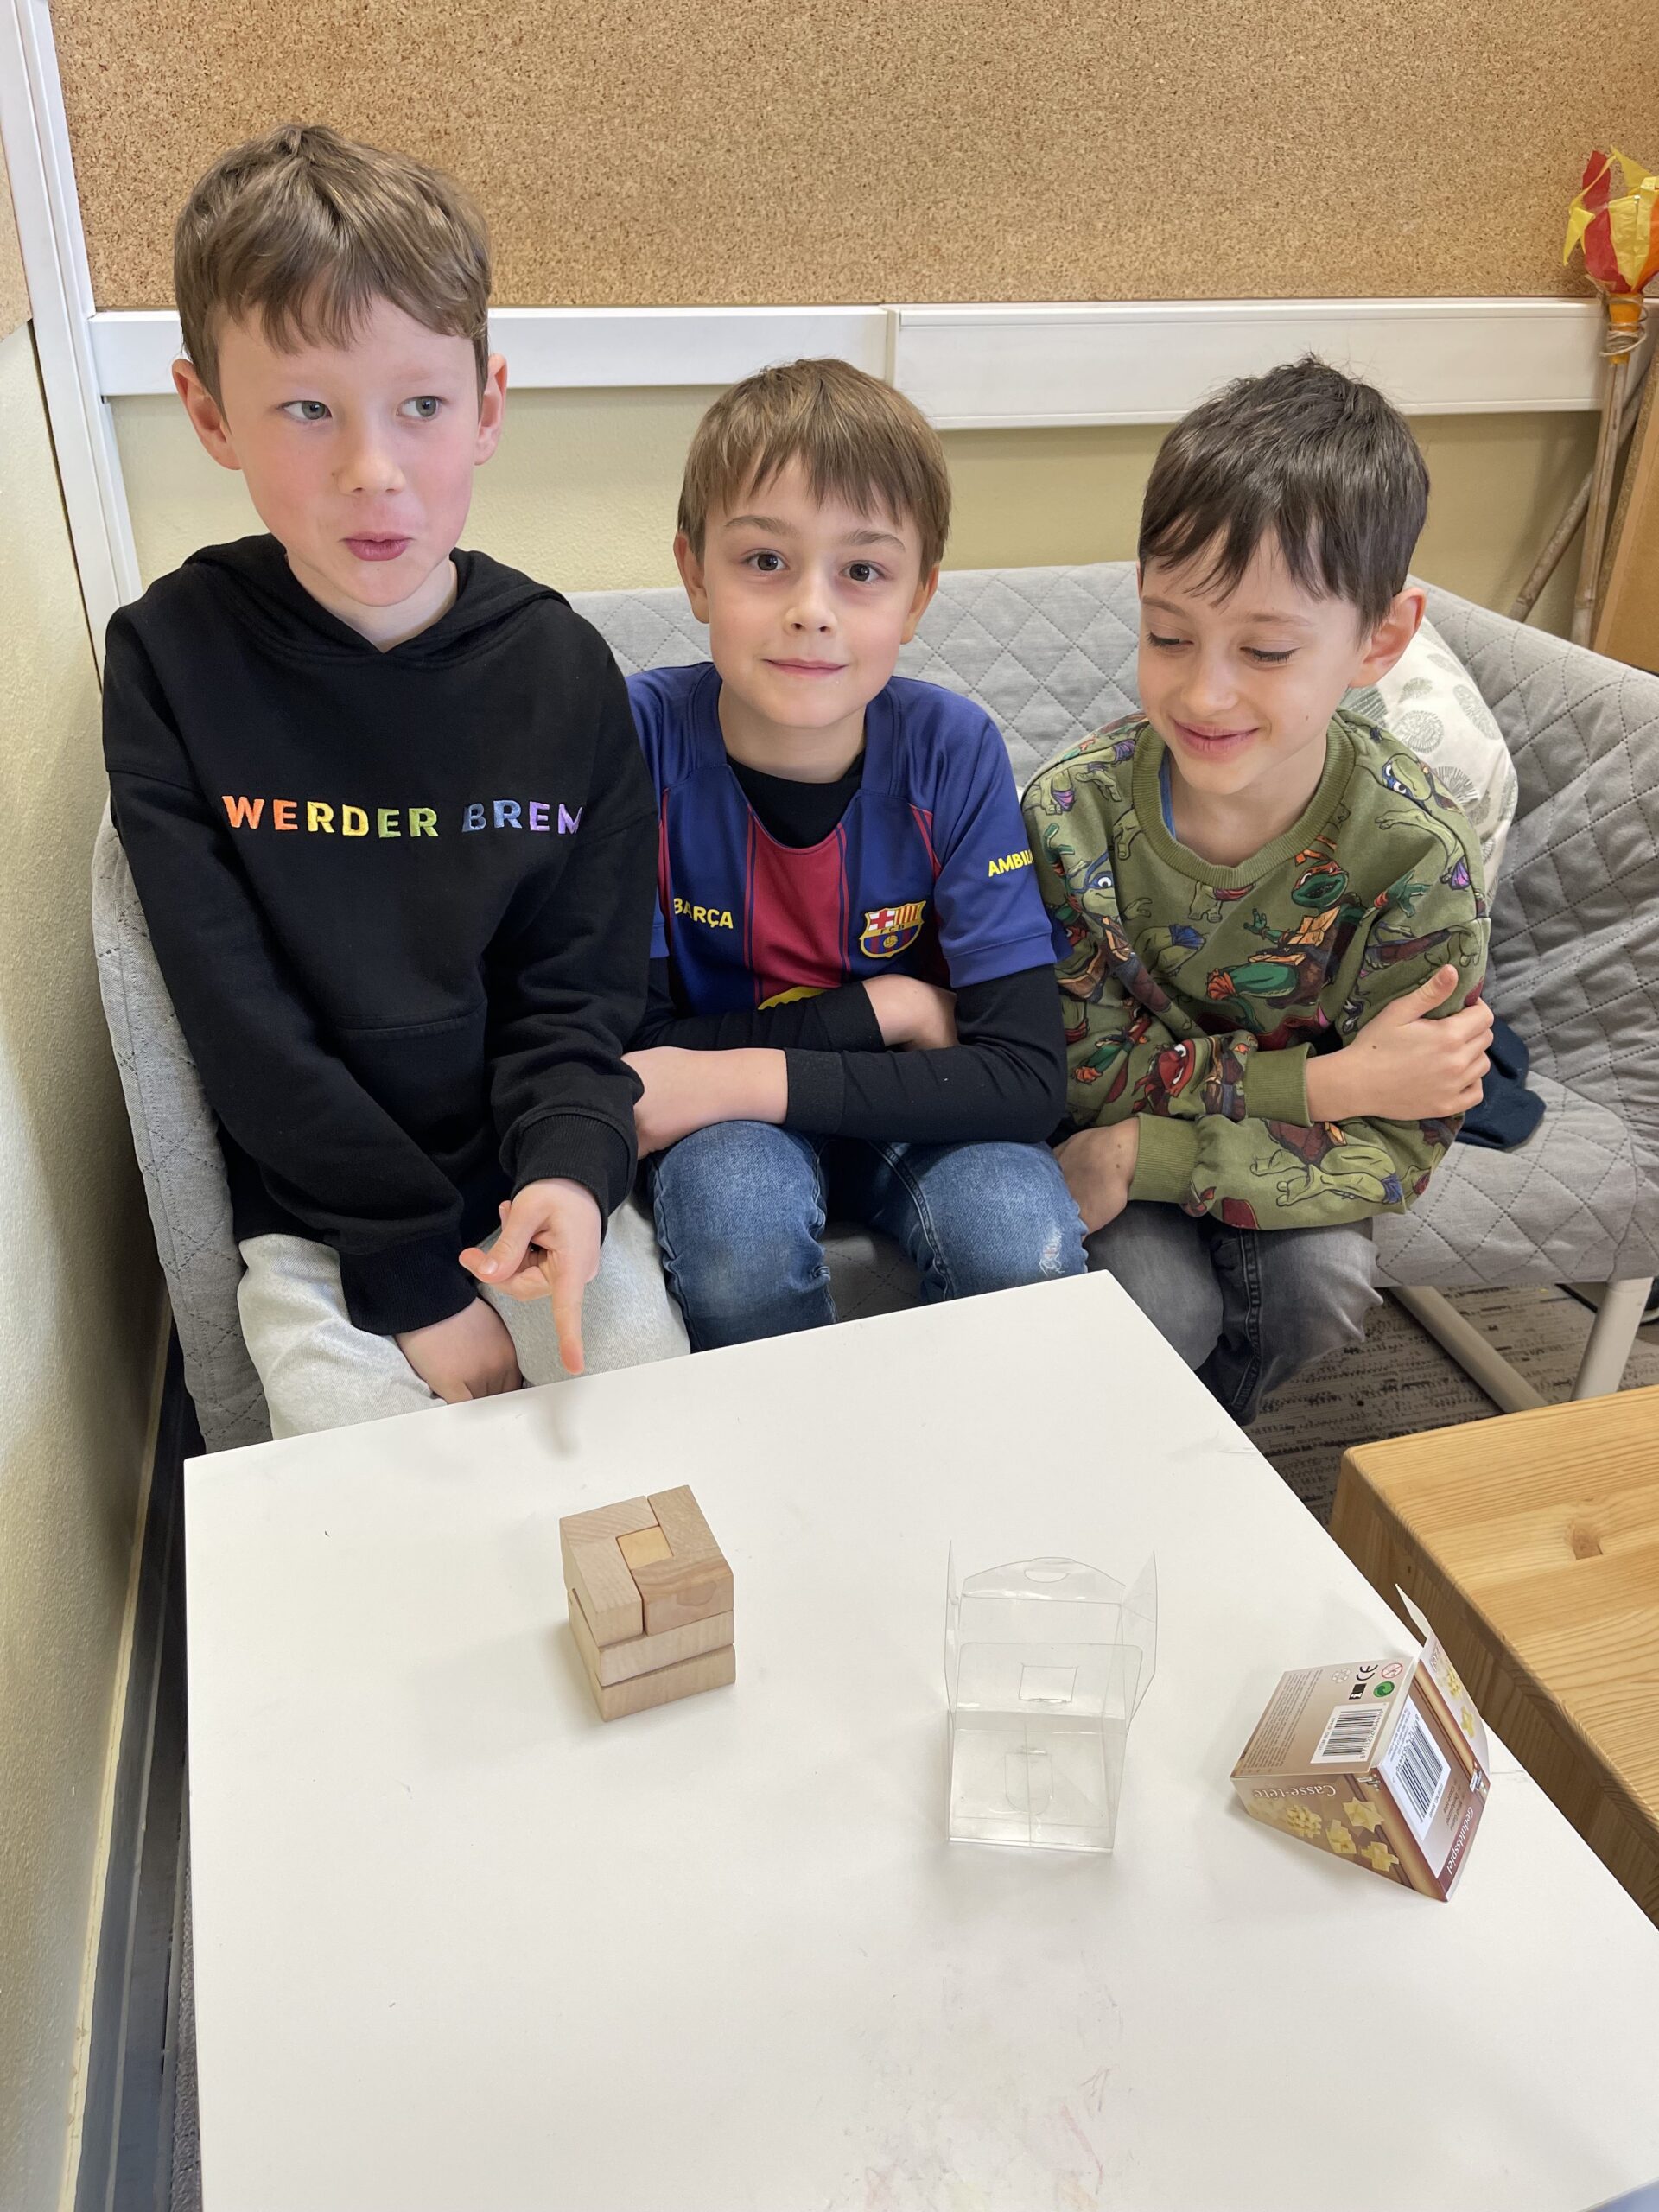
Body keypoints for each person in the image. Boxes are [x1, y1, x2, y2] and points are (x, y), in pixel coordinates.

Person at [102, 124, 686, 1438]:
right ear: (209, 414)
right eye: (307, 408)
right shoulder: (170, 660)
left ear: (486, 407)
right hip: (320, 1221)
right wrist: (414, 1275)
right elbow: (243, 1029)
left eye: (420, 405)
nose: (372, 469)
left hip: (531, 1185)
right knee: (365, 1520)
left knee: (641, 1443)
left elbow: (576, 1001)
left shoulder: (564, 672)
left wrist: (573, 1179)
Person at [1022, 356, 1493, 1422]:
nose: (1204, 692)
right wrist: (1330, 1081)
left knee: (1320, 1288)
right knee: (1157, 1299)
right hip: (1137, 1138)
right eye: (1167, 635)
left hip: (1269, 1155)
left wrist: (1151, 1147)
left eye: (1268, 650)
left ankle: (1204, 1453)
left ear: (1380, 639)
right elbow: (1075, 1074)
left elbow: (1404, 1132)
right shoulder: (1068, 816)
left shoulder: (1416, 856)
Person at [624, 359, 1088, 1349]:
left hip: (888, 1108)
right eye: (765, 560)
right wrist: (892, 1008)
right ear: (694, 572)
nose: (812, 608)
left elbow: (1025, 1078)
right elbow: (636, 1050)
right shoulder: (638, 741)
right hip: (737, 1128)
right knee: (737, 1237)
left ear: (918, 599)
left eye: (863, 571)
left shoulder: (954, 749)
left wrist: (736, 1071)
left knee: (1021, 1243)